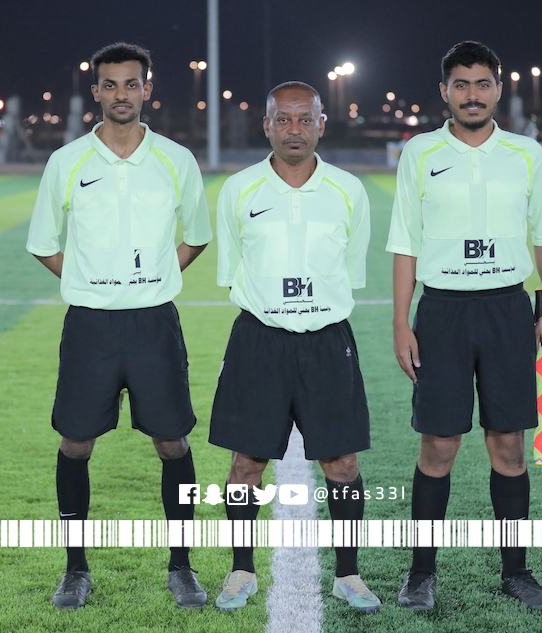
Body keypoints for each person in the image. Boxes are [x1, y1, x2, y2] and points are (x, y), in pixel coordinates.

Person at [26, 42, 212, 610]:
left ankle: (181, 566)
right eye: (110, 84)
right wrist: (90, 282)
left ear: (147, 89)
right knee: (76, 443)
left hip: (155, 323)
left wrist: (154, 279)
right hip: (90, 326)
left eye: (132, 83)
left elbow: (196, 236)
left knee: (172, 442)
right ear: (97, 92)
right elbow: (43, 244)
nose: (121, 94)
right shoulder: (67, 161)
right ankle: (75, 570)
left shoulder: (176, 159)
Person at [386, 40, 542, 611]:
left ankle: (517, 572)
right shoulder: (419, 152)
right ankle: (420, 573)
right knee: (438, 445)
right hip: (442, 311)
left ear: (497, 89)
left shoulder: (526, 154)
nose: (472, 94)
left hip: (508, 311)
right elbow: (405, 243)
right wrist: (401, 322)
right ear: (445, 92)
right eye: (461, 84)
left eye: (482, 83)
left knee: (508, 446)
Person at [208, 81, 378, 611]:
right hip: (259, 340)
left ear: (322, 124)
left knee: (342, 463)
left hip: (327, 341)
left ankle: (348, 575)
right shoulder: (239, 190)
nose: (294, 129)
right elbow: (233, 270)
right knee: (246, 463)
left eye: (305, 119)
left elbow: (349, 271)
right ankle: (240, 571)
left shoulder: (348, 190)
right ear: (267, 125)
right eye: (283, 119)